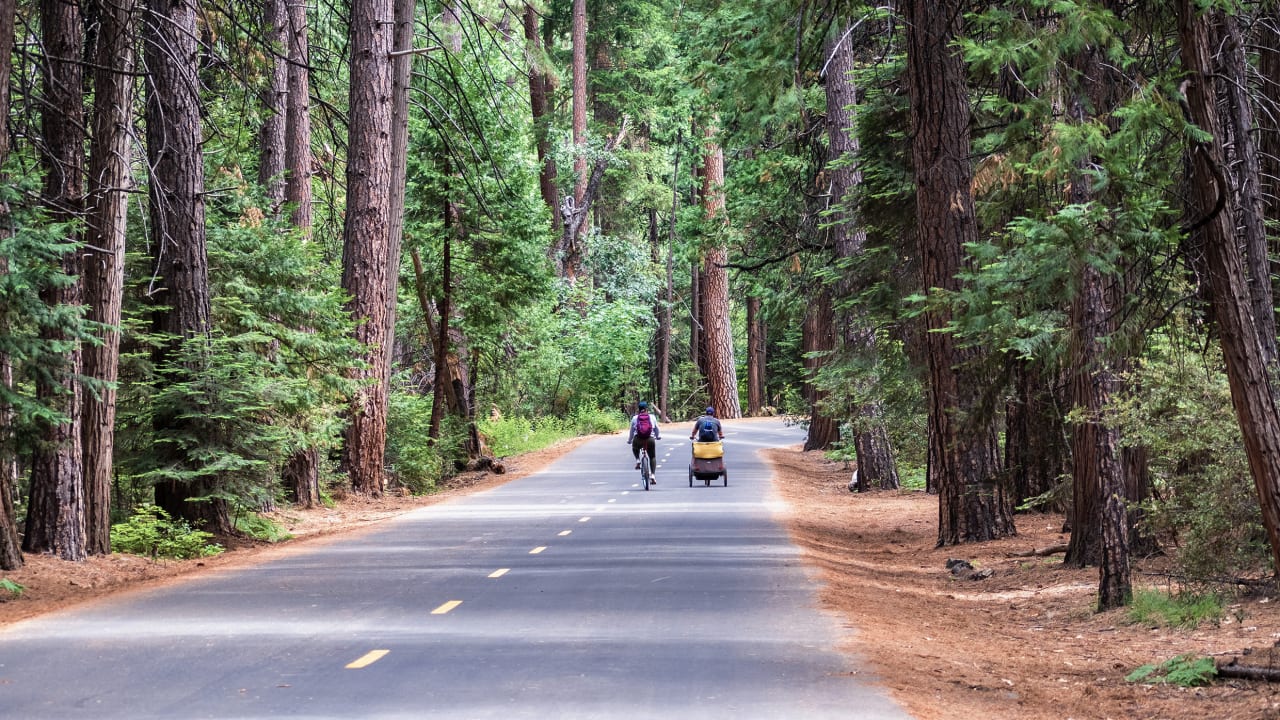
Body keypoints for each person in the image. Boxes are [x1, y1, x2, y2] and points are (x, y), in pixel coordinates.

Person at [627, 401, 661, 482]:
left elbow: (631, 431)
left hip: (638, 439)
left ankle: (638, 460)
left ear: (639, 409)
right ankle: (652, 475)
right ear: (646, 409)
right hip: (650, 439)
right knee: (652, 457)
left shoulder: (635, 418)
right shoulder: (652, 417)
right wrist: (658, 436)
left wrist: (629, 440)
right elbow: (656, 429)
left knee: (635, 448)